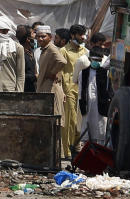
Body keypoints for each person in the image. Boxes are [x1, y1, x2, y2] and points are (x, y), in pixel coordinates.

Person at [35, 24, 66, 156]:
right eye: (38, 37)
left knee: (54, 125)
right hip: (45, 89)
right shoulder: (43, 50)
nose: (40, 39)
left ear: (50, 37)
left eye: (43, 36)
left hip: (51, 90)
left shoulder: (52, 49)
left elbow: (62, 62)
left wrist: (53, 73)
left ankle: (55, 156)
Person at [60, 24, 89, 157]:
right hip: (69, 89)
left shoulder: (85, 51)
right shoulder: (64, 51)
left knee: (79, 121)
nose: (83, 37)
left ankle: (77, 147)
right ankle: (67, 151)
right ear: (72, 35)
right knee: (70, 120)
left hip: (83, 90)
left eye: (84, 34)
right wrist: (62, 91)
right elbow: (59, 73)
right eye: (80, 34)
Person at [76, 45, 110, 144]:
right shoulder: (83, 73)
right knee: (87, 131)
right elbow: (80, 90)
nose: (96, 62)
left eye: (98, 60)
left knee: (100, 131)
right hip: (87, 105)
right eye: (94, 59)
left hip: (101, 106)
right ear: (90, 59)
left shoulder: (105, 73)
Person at [19, 24, 38, 93]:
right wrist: (35, 77)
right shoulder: (21, 53)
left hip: (32, 89)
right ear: (28, 39)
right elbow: (19, 75)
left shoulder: (31, 51)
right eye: (33, 33)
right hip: (24, 91)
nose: (36, 35)